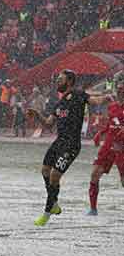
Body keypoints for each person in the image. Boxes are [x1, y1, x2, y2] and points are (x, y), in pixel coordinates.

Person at [33, 69, 112, 226]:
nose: (57, 81)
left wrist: (106, 98)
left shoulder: (78, 95)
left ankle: (47, 212)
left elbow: (95, 101)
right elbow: (49, 124)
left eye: (60, 79)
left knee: (55, 175)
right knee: (45, 171)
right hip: (59, 142)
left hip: (72, 145)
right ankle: (54, 203)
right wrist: (37, 115)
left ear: (69, 81)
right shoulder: (59, 103)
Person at [87, 78, 124, 215]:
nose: (120, 92)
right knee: (95, 174)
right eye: (119, 89)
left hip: (122, 147)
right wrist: (100, 133)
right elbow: (110, 123)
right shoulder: (112, 106)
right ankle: (93, 209)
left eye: (122, 90)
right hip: (109, 145)